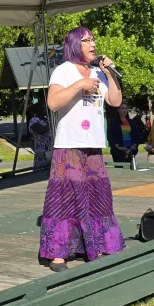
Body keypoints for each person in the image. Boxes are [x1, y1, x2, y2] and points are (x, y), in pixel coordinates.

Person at [40, 26, 125, 271]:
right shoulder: (63, 71)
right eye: (87, 40)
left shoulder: (99, 72)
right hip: (69, 145)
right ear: (75, 44)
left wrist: (109, 73)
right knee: (63, 199)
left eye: (94, 39)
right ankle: (57, 255)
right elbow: (53, 102)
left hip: (93, 146)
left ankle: (95, 246)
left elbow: (115, 101)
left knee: (97, 198)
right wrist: (80, 85)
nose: (93, 44)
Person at [28, 99, 53, 170]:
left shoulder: (47, 119)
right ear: (38, 109)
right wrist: (50, 125)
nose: (46, 109)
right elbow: (40, 130)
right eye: (44, 108)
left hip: (50, 149)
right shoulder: (34, 120)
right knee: (40, 171)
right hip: (41, 151)